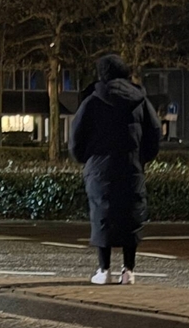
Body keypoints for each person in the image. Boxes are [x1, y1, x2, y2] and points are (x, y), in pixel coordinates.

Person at [69, 54, 161, 285]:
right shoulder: (141, 101)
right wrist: (141, 158)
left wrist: (86, 159)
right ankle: (128, 270)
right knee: (131, 214)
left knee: (102, 214)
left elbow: (76, 137)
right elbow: (154, 134)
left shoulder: (93, 101)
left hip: (100, 167)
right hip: (132, 166)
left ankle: (104, 269)